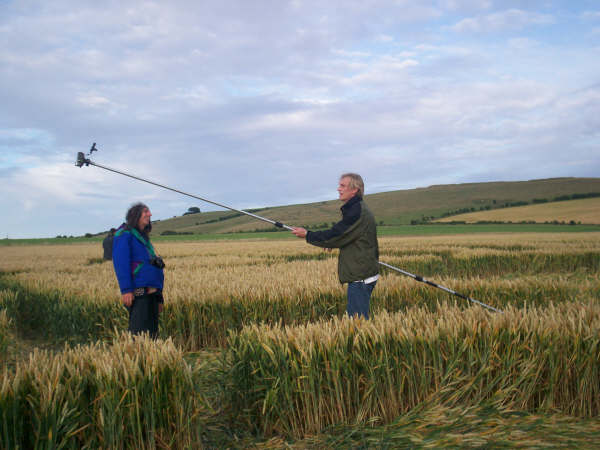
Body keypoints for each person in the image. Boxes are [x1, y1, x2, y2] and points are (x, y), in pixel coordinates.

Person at [292, 173, 379, 319]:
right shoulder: (357, 208)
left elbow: (336, 234)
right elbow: (348, 235)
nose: (338, 189)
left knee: (357, 324)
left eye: (343, 186)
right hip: (363, 273)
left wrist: (307, 234)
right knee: (358, 322)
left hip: (360, 278)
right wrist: (335, 242)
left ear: (354, 190)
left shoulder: (357, 211)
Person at [112, 203, 165, 338]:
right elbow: (121, 264)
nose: (150, 214)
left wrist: (159, 297)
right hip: (139, 294)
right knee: (138, 337)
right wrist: (126, 290)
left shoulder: (143, 237)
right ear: (136, 215)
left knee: (152, 337)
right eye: (146, 211)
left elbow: (154, 268)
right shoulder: (124, 235)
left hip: (153, 294)